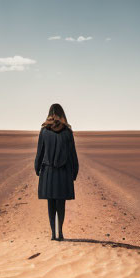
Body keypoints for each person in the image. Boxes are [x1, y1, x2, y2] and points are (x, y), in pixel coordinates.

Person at [34, 103, 79, 240]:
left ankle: (53, 234)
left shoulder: (44, 131)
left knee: (51, 203)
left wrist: (37, 169)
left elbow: (39, 153)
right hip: (64, 172)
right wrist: (74, 172)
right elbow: (73, 154)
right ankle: (60, 232)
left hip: (48, 172)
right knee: (61, 203)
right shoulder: (67, 132)